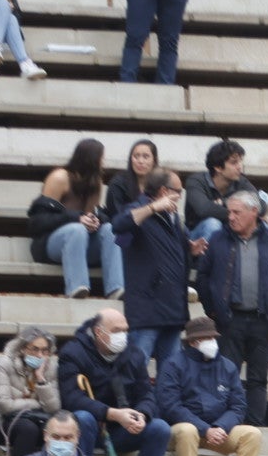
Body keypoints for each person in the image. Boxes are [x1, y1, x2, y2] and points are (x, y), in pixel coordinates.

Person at [198, 188, 268, 428]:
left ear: (254, 212)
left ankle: (255, 427)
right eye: (229, 212)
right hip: (230, 320)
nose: (230, 217)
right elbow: (203, 277)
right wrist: (214, 310)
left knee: (258, 379)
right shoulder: (218, 239)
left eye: (236, 212)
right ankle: (224, 426)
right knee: (225, 376)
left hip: (264, 321)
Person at [156, 317, 261, 456]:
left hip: (219, 431)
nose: (211, 342)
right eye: (205, 339)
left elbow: (238, 405)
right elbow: (171, 406)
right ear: (192, 342)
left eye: (213, 338)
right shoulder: (173, 365)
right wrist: (205, 429)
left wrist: (220, 427)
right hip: (182, 431)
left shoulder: (227, 366)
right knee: (187, 430)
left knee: (252, 434)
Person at [112, 168, 198, 371]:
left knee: (171, 375)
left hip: (172, 308)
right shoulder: (138, 208)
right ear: (163, 191)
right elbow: (119, 225)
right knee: (136, 370)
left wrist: (190, 249)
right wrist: (152, 208)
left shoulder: (173, 216)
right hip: (147, 309)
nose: (179, 196)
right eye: (178, 191)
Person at [34, 139, 123, 301]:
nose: (103, 162)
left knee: (110, 229)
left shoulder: (95, 182)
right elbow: (39, 220)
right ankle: (77, 287)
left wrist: (94, 221)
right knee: (77, 229)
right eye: (101, 158)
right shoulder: (60, 177)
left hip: (81, 242)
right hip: (51, 241)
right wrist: (76, 218)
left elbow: (89, 215)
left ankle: (116, 287)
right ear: (91, 158)